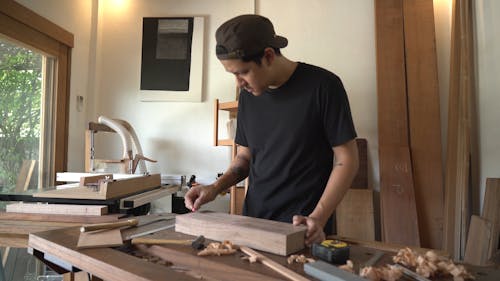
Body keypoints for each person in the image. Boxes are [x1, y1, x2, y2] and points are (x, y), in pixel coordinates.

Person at [184, 14, 359, 246]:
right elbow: (245, 157)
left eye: (243, 72)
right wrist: (215, 188)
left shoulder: (324, 87)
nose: (239, 83)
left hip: (303, 229)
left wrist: (318, 217)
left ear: (268, 56)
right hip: (253, 224)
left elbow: (347, 160)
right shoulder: (248, 96)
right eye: (233, 74)